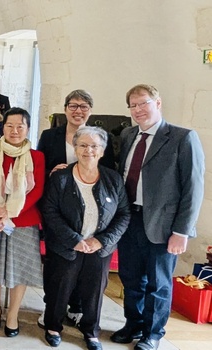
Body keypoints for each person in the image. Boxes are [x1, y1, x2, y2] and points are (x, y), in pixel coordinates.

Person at [110, 84, 204, 350]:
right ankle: (133, 323)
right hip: (129, 219)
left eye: (144, 103)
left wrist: (182, 231)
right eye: (133, 105)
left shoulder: (182, 137)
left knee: (158, 283)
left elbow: (193, 188)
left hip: (163, 226)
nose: (138, 110)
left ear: (158, 103)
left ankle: (152, 334)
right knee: (130, 278)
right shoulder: (128, 135)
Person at [42, 126, 130, 349]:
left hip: (99, 249)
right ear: (75, 148)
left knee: (94, 292)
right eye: (82, 145)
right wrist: (74, 240)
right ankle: (53, 327)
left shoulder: (113, 179)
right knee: (59, 288)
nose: (88, 150)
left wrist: (101, 241)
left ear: (102, 151)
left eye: (94, 146)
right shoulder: (60, 178)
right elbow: (50, 211)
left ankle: (91, 332)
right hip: (66, 246)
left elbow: (123, 214)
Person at [36, 89, 116, 328]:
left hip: (90, 209)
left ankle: (77, 308)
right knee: (57, 263)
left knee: (85, 264)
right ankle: (52, 306)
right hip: (59, 207)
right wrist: (51, 171)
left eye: (83, 106)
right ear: (65, 109)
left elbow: (108, 172)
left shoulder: (101, 137)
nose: (78, 111)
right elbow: (38, 166)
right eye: (73, 106)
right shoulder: (50, 135)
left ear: (90, 111)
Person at [0, 108, 45, 338]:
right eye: (9, 126)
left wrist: (11, 212)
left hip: (23, 219)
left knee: (19, 268)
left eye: (20, 126)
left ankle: (13, 314)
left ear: (28, 129)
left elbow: (37, 190)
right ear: (2, 128)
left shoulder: (37, 157)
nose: (14, 131)